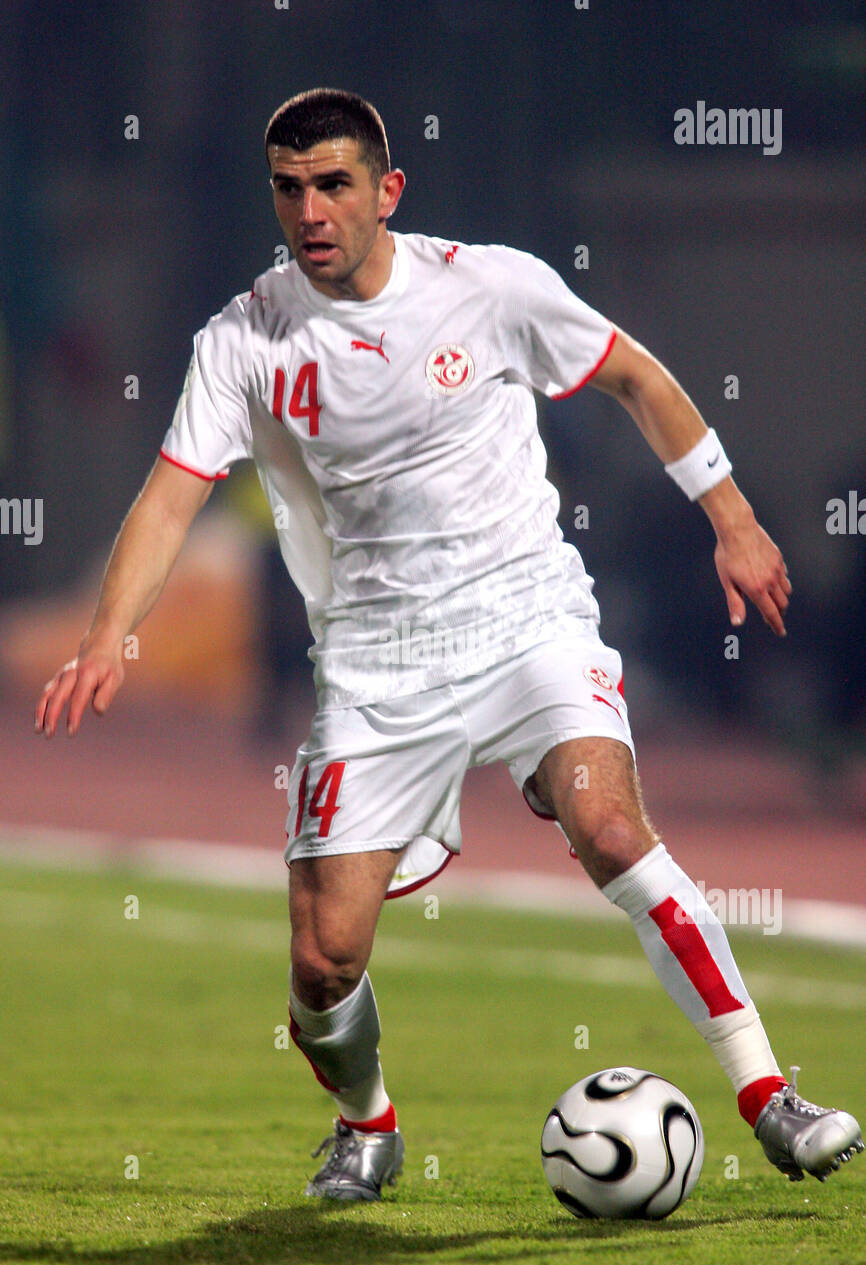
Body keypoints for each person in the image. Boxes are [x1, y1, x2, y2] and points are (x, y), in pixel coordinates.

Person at [35, 87, 862, 1202]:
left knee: (609, 827)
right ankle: (365, 1121)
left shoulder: (490, 288)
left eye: (332, 185)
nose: (309, 211)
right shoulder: (244, 337)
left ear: (388, 191)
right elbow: (172, 496)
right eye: (288, 189)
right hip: (379, 658)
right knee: (323, 965)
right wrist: (107, 637)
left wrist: (731, 515)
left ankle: (769, 1096)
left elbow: (631, 373)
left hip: (525, 614)